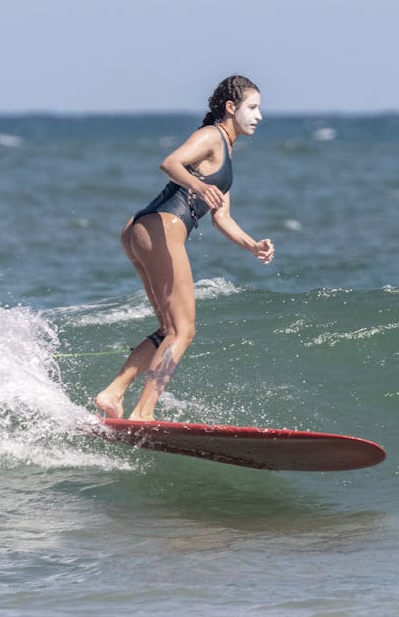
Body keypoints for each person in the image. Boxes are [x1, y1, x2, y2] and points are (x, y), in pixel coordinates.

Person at [95, 75, 275, 421]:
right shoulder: (211, 137)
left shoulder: (226, 154)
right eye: (252, 108)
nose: (259, 116)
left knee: (168, 329)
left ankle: (113, 394)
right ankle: (143, 413)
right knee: (184, 331)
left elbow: (222, 217)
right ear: (231, 107)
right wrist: (196, 184)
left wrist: (253, 245)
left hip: (142, 230)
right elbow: (171, 163)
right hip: (161, 228)